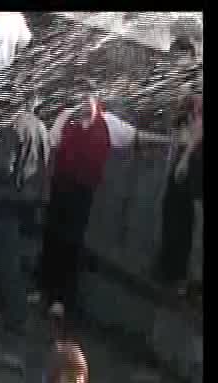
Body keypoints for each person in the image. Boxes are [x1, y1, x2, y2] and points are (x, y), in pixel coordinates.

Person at [40, 85, 171, 322]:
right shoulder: (68, 117)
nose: (84, 103)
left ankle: (62, 299)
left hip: (82, 192)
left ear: (97, 99)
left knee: (72, 241)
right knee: (52, 237)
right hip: (60, 186)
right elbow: (52, 142)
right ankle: (44, 290)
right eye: (81, 99)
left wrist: (171, 141)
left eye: (88, 99)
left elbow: (137, 136)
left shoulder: (109, 123)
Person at [0, 94, 50, 334]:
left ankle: (15, 316)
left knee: (6, 257)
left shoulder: (12, 128)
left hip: (11, 199)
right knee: (20, 257)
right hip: (34, 202)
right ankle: (5, 307)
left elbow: (4, 168)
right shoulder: (41, 128)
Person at [157, 94, 202, 296]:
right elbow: (175, 137)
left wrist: (183, 159)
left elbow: (190, 143)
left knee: (183, 222)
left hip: (191, 173)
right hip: (182, 171)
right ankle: (170, 269)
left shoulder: (197, 122)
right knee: (173, 217)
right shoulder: (185, 119)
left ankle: (178, 275)